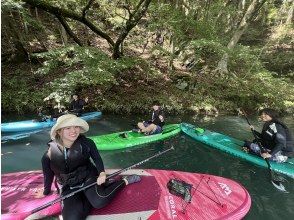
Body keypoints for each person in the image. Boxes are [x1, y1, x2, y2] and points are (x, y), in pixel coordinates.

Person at [37, 114, 141, 220]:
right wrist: (46, 191)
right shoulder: (48, 156)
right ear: (59, 131)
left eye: (76, 127)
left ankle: (124, 181)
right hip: (69, 186)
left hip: (88, 177)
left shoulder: (87, 143)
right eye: (68, 128)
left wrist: (102, 173)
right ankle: (91, 194)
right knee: (72, 218)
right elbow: (48, 175)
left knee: (100, 201)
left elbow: (97, 159)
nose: (73, 131)